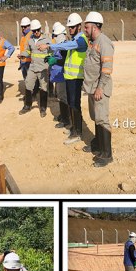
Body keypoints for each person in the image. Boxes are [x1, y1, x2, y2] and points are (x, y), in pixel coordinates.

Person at [50, 13, 89, 145]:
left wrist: (51, 46)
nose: (70, 29)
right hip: (70, 77)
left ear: (79, 26)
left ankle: (77, 133)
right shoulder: (74, 40)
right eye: (69, 27)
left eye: (72, 27)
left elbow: (67, 46)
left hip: (76, 78)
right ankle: (74, 128)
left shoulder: (81, 40)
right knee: (72, 104)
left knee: (75, 104)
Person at [82, 12, 115, 167]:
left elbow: (107, 68)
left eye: (87, 27)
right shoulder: (92, 41)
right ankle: (98, 146)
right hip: (91, 88)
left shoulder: (104, 42)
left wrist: (100, 88)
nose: (85, 30)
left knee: (102, 119)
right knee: (96, 117)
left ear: (95, 27)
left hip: (99, 89)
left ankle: (107, 154)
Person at [19, 19, 51, 117]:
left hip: (43, 68)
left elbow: (51, 53)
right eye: (34, 31)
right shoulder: (30, 40)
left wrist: (49, 63)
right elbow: (28, 51)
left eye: (37, 30)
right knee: (28, 85)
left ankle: (42, 108)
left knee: (43, 88)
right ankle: (27, 105)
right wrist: (23, 55)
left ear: (40, 29)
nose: (36, 32)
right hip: (32, 67)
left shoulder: (46, 40)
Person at [48, 23, 70, 129]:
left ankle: (66, 120)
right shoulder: (60, 46)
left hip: (63, 76)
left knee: (63, 98)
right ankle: (63, 115)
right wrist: (50, 59)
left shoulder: (65, 47)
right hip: (58, 76)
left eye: (56, 36)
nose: (54, 38)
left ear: (62, 35)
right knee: (61, 97)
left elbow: (65, 60)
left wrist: (55, 60)